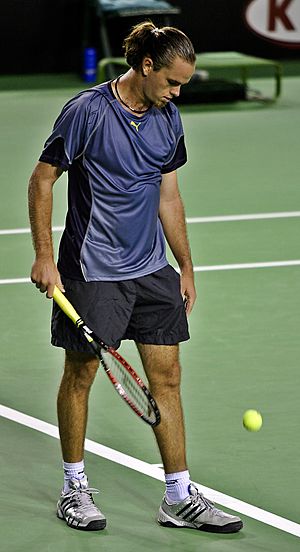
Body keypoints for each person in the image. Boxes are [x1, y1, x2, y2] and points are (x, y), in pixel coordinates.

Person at [28, 21, 243, 534]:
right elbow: (42, 178)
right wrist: (43, 256)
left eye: (183, 85)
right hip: (92, 268)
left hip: (151, 271)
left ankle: (178, 496)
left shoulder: (169, 118)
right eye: (172, 81)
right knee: (80, 377)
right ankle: (74, 487)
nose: (177, 92)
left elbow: (168, 195)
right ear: (146, 66)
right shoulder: (87, 112)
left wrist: (185, 264)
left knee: (166, 380)